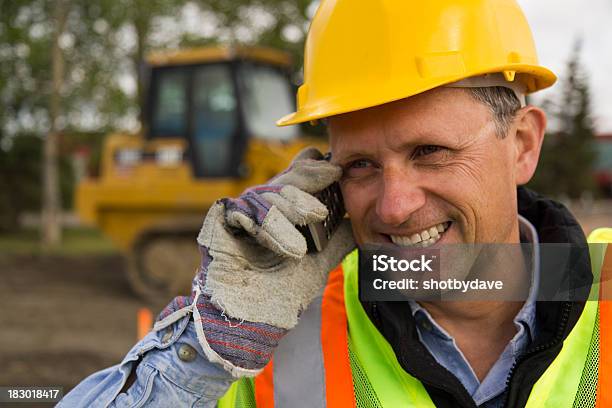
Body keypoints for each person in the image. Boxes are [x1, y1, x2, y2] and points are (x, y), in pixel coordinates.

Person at [60, 0, 611, 407]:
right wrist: (207, 349)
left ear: (523, 145)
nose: (393, 208)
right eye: (360, 166)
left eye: (430, 152)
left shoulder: (603, 291)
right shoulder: (275, 335)